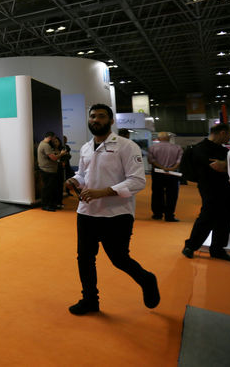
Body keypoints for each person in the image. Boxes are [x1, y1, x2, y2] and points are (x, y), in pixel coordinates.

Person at [64, 104, 159, 315]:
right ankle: (90, 300)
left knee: (119, 259)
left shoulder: (126, 146)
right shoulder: (87, 147)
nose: (95, 120)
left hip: (116, 215)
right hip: (87, 212)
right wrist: (74, 180)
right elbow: (83, 175)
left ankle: (147, 279)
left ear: (111, 120)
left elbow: (137, 181)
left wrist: (104, 192)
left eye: (101, 116)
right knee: (85, 258)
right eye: (92, 116)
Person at [182, 123, 230, 262]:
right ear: (222, 133)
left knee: (226, 218)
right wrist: (225, 166)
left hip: (227, 188)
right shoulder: (200, 149)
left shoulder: (223, 150)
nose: (229, 138)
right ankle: (190, 246)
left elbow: (225, 166)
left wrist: (224, 165)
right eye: (229, 134)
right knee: (207, 217)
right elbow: (214, 167)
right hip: (210, 189)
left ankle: (217, 249)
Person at [147, 132, 182, 221]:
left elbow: (151, 160)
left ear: (158, 139)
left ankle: (157, 214)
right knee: (172, 195)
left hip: (158, 173)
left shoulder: (152, 148)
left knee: (157, 193)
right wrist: (171, 168)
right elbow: (179, 161)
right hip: (173, 174)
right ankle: (169, 215)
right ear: (169, 138)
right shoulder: (178, 148)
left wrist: (162, 168)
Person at [37, 132, 62, 211]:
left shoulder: (42, 144)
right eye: (54, 138)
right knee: (47, 189)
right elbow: (54, 158)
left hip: (48, 170)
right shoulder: (46, 145)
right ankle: (45, 205)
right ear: (51, 137)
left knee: (50, 189)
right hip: (47, 170)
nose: (55, 140)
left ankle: (50, 204)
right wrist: (61, 154)